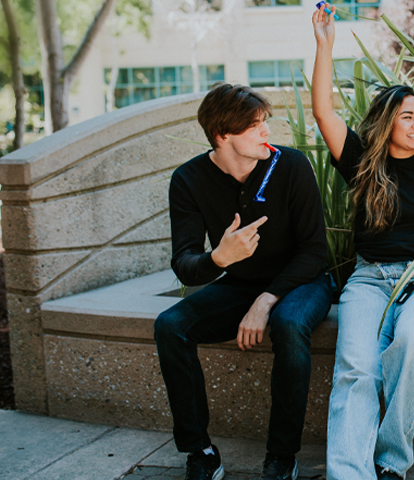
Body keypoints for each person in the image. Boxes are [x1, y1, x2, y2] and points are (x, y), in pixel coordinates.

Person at [310, 6, 414, 479]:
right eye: (408, 116)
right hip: (369, 279)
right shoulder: (362, 161)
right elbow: (323, 110)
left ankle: (391, 461)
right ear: (386, 121)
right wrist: (326, 46)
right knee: (357, 369)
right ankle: (349, 474)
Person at [155, 83, 335, 480]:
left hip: (302, 282)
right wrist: (219, 257)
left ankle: (281, 457)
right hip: (239, 284)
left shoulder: (290, 165)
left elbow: (314, 250)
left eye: (264, 122)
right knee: (170, 326)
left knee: (288, 325)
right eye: (254, 126)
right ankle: (200, 452)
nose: (266, 132)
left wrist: (266, 300)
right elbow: (185, 264)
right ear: (222, 135)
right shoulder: (188, 180)